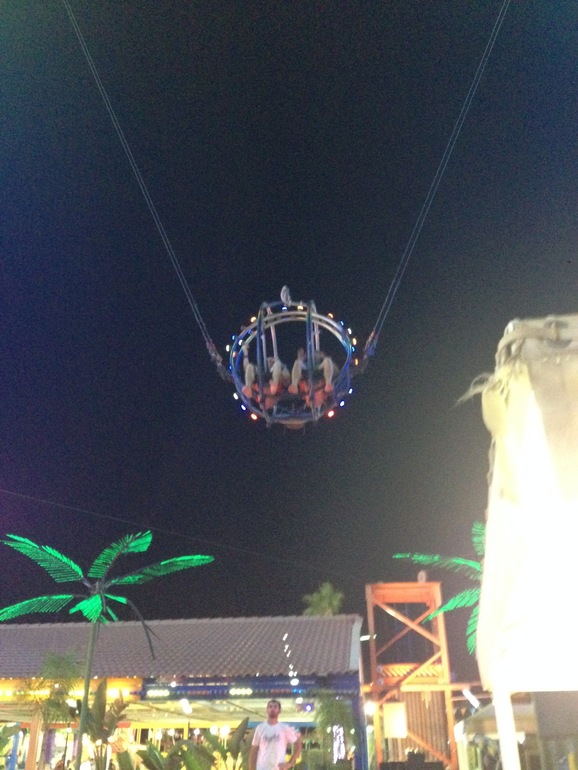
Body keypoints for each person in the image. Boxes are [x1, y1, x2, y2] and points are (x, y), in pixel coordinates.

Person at [249, 700, 301, 770]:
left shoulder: (284, 728)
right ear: (267, 710)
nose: (272, 709)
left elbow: (298, 744)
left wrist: (290, 763)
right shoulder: (260, 728)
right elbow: (254, 751)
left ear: (279, 711)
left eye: (275, 707)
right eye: (270, 707)